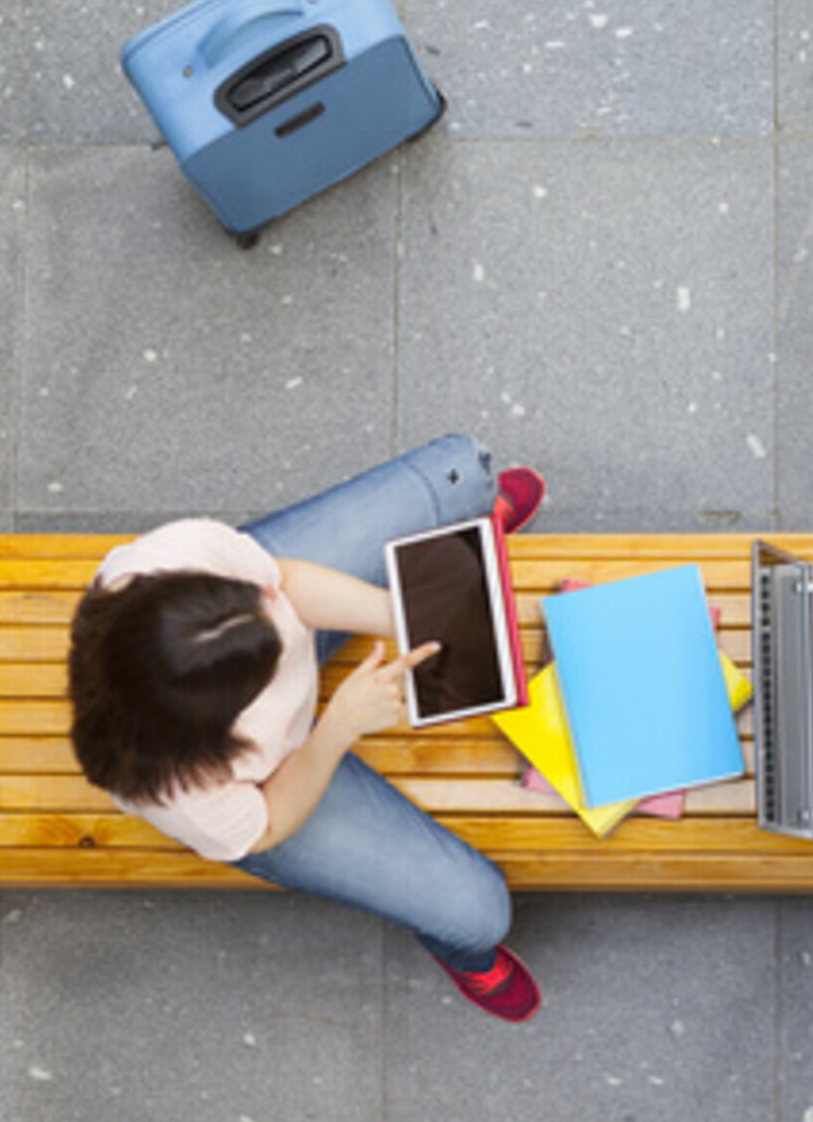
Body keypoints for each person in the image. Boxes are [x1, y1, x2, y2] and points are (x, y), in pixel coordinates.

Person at [67, 435, 548, 1022]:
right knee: (479, 916)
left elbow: (284, 582)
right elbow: (267, 826)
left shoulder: (167, 561)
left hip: (230, 658)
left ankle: (459, 538)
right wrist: (337, 729)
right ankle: (452, 946)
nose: (282, 616)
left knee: (463, 472)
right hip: (283, 778)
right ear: (225, 714)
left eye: (255, 605)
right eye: (271, 644)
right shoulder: (178, 791)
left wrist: (401, 614)